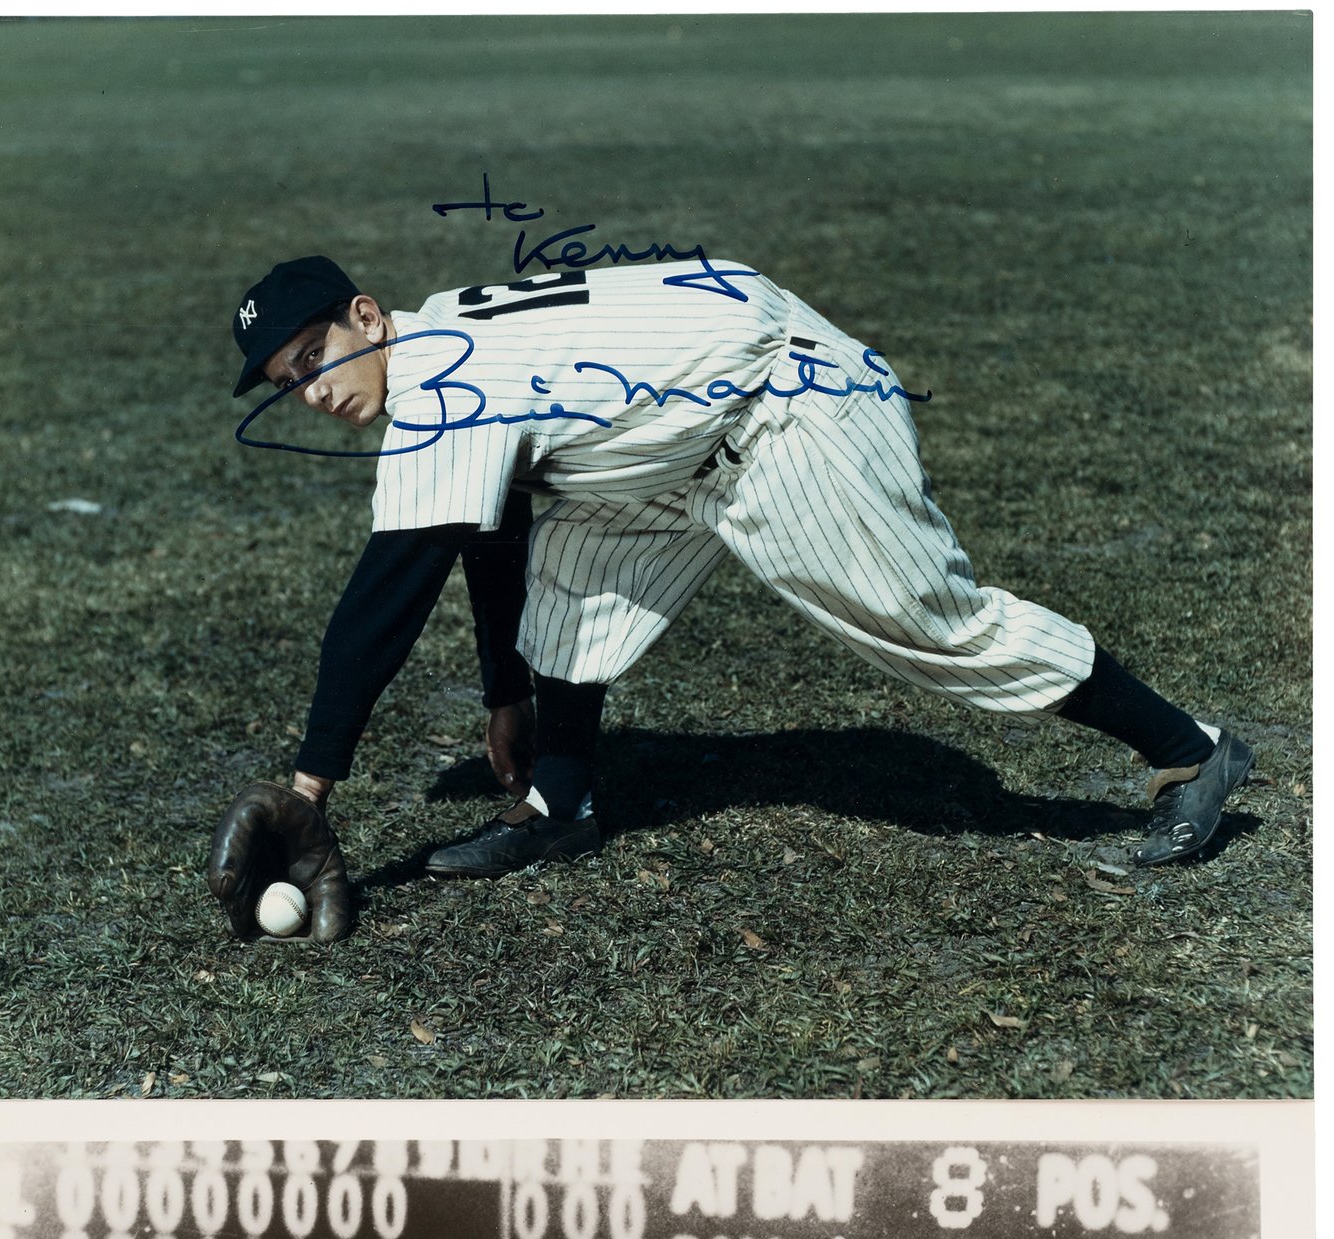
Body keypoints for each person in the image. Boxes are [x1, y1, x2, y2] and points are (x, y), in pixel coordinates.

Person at [209, 251, 1253, 939]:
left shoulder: (437, 381)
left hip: (784, 408)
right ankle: (559, 804)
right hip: (676, 431)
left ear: (361, 315)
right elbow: (491, 533)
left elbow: (381, 603)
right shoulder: (441, 346)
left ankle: (1186, 753)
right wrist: (507, 695)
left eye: (314, 356)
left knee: (933, 625)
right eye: (288, 382)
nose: (311, 390)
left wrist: (306, 795)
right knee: (569, 581)